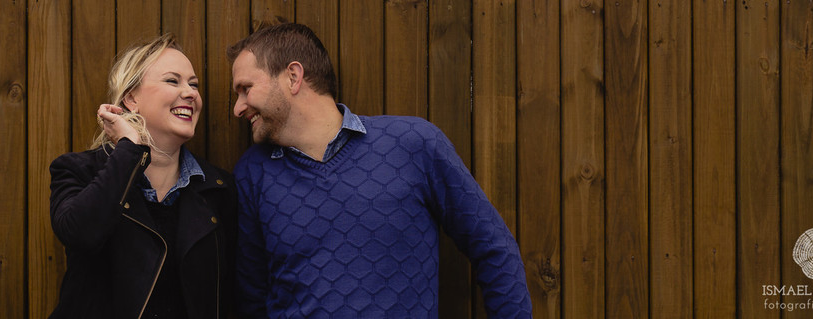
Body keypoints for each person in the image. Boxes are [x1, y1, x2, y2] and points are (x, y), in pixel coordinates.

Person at [229, 22, 531, 318]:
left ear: (293, 77)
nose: (238, 108)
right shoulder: (253, 173)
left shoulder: (413, 144)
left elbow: (494, 249)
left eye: (246, 88)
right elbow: (251, 300)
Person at [49, 34, 236, 319]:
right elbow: (81, 233)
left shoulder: (219, 189)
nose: (191, 93)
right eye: (173, 81)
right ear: (131, 98)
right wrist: (130, 150)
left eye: (194, 84)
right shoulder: (78, 171)